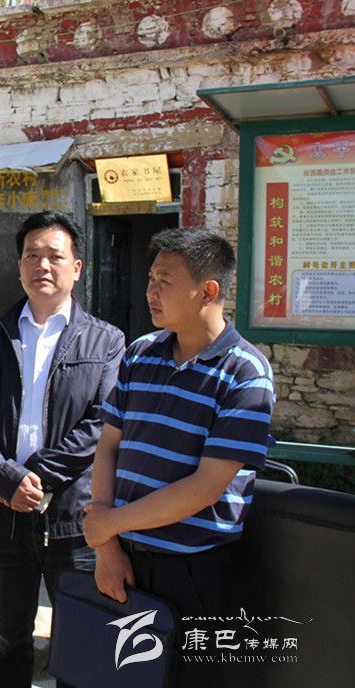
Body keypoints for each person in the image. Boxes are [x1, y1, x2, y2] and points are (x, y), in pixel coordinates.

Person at [83, 228, 275, 687]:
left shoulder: (245, 374)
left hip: (192, 569)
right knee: (121, 678)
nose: (151, 291)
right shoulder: (140, 354)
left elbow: (206, 488)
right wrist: (107, 546)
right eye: (151, 279)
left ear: (208, 291)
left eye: (165, 281)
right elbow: (109, 445)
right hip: (125, 558)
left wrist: (108, 524)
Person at [0, 210, 124, 687]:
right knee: (8, 638)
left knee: (81, 641)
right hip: (2, 516)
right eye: (31, 255)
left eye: (54, 256)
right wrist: (6, 479)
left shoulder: (107, 341)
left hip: (73, 518)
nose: (42, 265)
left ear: (76, 267)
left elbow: (102, 422)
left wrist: (36, 478)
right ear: (19, 266)